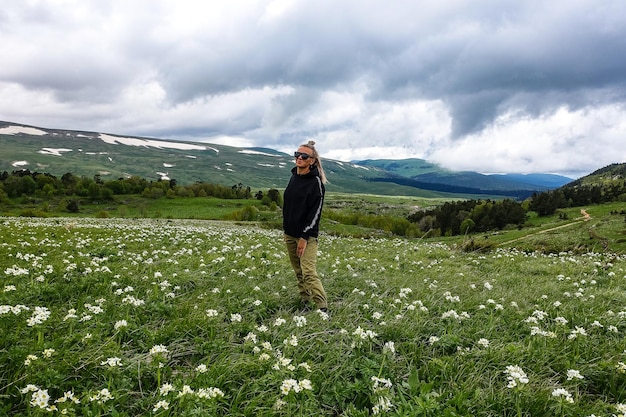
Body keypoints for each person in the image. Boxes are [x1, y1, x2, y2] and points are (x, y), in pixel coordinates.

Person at [282, 140, 328, 312]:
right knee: (298, 271)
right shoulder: (294, 177)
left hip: (306, 237)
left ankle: (322, 308)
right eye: (297, 154)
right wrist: (286, 229)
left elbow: (314, 214)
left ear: (312, 161)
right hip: (289, 233)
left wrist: (304, 237)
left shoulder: (316, 183)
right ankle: (305, 302)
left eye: (304, 156)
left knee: (308, 271)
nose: (299, 158)